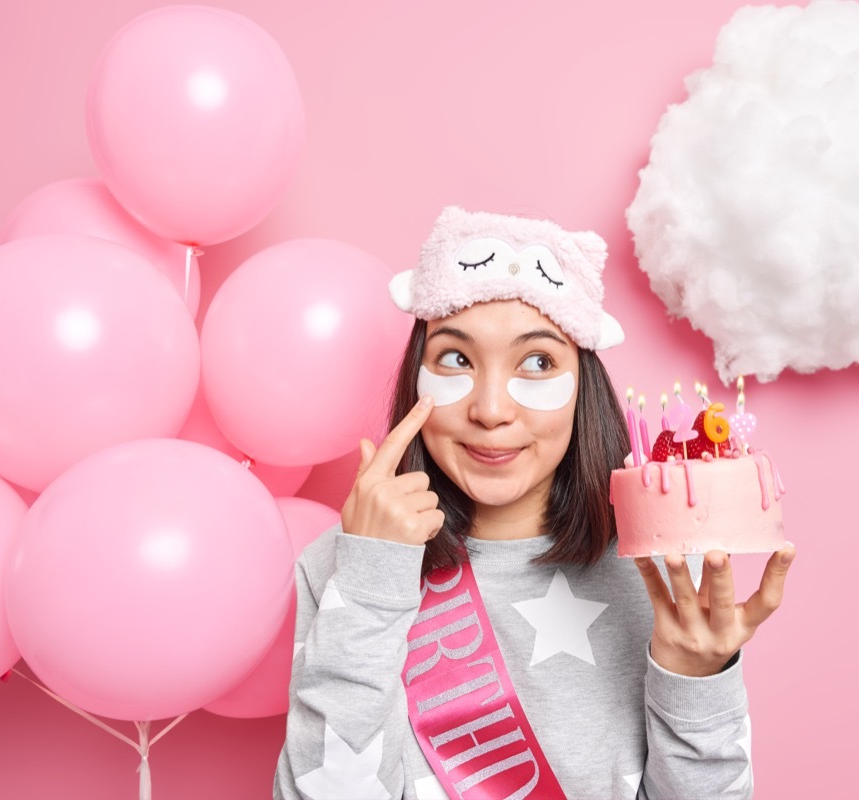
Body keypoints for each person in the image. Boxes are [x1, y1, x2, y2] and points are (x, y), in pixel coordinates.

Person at [274, 207, 795, 800]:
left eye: (539, 362)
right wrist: (370, 580)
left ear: (584, 386)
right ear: (414, 376)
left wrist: (694, 680)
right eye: (456, 359)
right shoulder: (345, 567)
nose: (491, 409)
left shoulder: (662, 563)